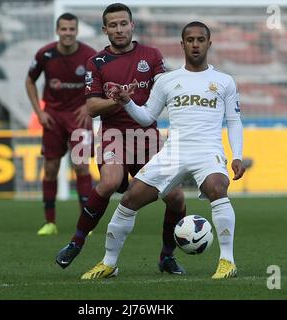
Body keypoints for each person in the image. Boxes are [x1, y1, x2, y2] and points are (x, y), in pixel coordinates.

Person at [81, 21, 246, 280]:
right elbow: (146, 117)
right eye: (190, 39)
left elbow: (234, 121)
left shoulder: (224, 81)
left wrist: (236, 155)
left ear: (209, 44)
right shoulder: (168, 81)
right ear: (182, 44)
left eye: (200, 39)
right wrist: (126, 102)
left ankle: (227, 261)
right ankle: (109, 263)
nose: (195, 44)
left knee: (217, 187)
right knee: (128, 200)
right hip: (173, 152)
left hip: (207, 152)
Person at [55, 3, 187, 275]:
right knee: (110, 182)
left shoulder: (151, 56)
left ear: (132, 25)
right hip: (113, 135)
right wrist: (118, 100)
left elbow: (163, 95)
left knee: (176, 197)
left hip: (147, 136)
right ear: (105, 30)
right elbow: (92, 108)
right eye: (112, 25)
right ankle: (76, 243)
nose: (119, 29)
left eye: (123, 23)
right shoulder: (97, 62)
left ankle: (167, 256)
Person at [25, 13, 96, 236]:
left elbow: (100, 84)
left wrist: (88, 107)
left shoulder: (89, 55)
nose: (67, 33)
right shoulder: (45, 54)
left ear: (77, 31)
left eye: (71, 29)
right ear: (57, 30)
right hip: (53, 117)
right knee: (50, 168)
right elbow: (29, 81)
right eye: (63, 29)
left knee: (82, 167)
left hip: (78, 118)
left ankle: (87, 224)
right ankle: (50, 223)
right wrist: (39, 112)